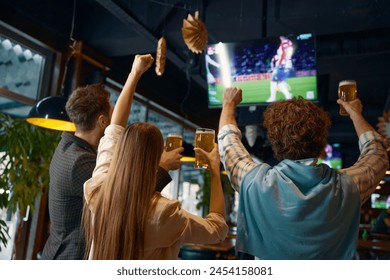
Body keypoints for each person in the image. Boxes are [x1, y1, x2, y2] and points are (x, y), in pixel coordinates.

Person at [82, 54, 228, 260]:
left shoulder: (97, 188)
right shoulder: (164, 213)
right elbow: (217, 228)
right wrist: (214, 170)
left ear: (122, 152)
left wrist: (135, 73)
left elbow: (114, 128)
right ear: (153, 159)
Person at [218, 87, 388, 259]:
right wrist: (355, 113)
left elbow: (228, 142)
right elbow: (377, 153)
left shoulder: (255, 183)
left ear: (274, 141)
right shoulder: (347, 186)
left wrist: (228, 104)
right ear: (322, 141)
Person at [42, 81, 182, 260]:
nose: (117, 117)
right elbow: (124, 203)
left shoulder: (67, 146)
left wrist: (135, 74)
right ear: (102, 121)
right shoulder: (81, 162)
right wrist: (162, 168)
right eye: (113, 112)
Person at [267, 36, 294, 102]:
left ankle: (273, 98)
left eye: (281, 36)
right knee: (280, 82)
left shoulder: (285, 42)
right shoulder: (288, 42)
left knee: (273, 80)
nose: (279, 37)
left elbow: (286, 52)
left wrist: (283, 62)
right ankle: (288, 97)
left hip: (283, 64)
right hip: (286, 64)